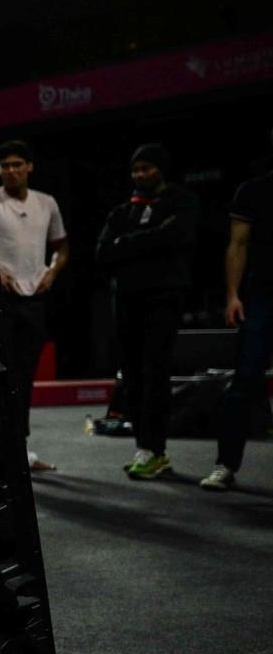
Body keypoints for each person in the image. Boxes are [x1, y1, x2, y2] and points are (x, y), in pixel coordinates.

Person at [97, 143, 199, 480]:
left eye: (147, 168)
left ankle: (157, 450)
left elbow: (178, 236)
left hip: (163, 300)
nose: (140, 174)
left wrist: (126, 245)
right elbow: (102, 254)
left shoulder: (181, 202)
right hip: (125, 302)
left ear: (161, 169)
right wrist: (151, 239)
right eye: (136, 169)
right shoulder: (122, 211)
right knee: (133, 377)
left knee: (156, 374)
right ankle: (145, 448)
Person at [0, 139, 70, 471]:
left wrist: (53, 271)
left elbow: (62, 247)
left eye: (16, 164)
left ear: (29, 167)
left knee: (25, 377)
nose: (10, 171)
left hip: (34, 301)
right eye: (4, 166)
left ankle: (21, 448)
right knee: (0, 376)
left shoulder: (47, 203)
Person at [203, 146, 273, 491]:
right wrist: (233, 295)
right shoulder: (253, 190)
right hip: (261, 297)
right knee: (244, 381)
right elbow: (238, 243)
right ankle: (226, 464)